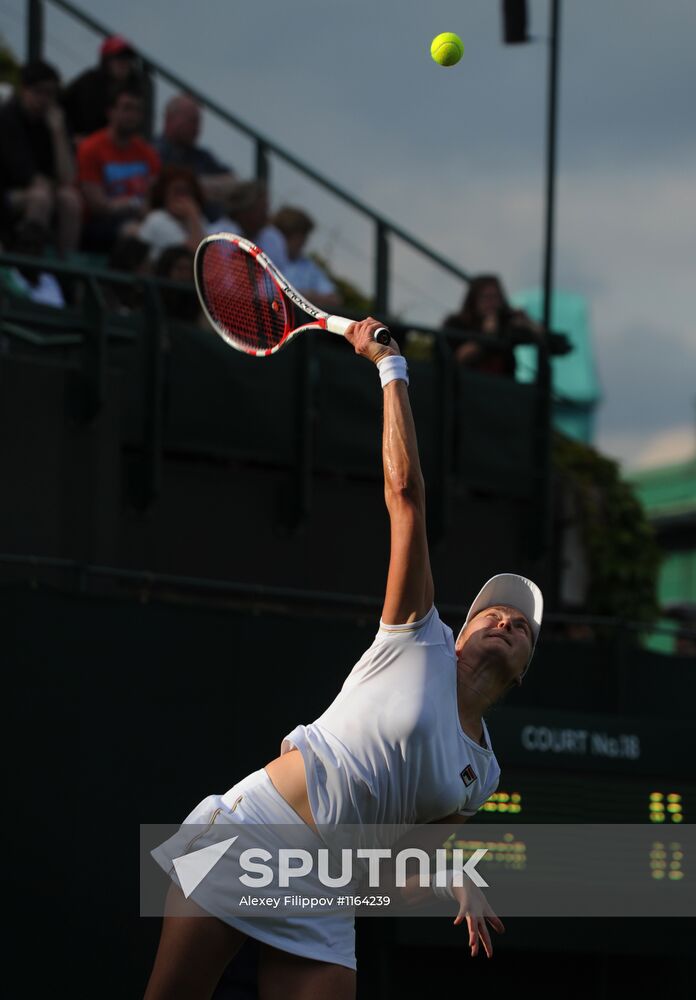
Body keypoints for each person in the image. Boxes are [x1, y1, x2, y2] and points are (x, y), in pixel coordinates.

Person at [144, 317, 544, 999]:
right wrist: (391, 370)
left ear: (527, 663)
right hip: (255, 832)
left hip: (327, 887)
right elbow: (407, 499)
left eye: (520, 623)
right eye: (489, 613)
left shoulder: (483, 774)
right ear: (459, 633)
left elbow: (388, 877)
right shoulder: (416, 637)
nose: (504, 619)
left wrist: (450, 878)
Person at [0, 60, 81, 255]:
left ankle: (66, 273)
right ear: (24, 90)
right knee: (40, 197)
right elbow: (26, 175)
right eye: (39, 91)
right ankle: (28, 266)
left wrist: (58, 133)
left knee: (71, 200)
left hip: (43, 189)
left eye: (51, 93)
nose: (44, 99)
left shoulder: (56, 121)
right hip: (8, 193)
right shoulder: (7, 118)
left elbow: (68, 178)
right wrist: (49, 185)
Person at [76, 84, 160, 252]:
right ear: (110, 112)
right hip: (99, 225)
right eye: (127, 108)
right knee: (138, 234)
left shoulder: (147, 153)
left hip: (139, 219)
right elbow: (97, 205)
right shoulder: (91, 148)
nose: (132, 115)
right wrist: (134, 204)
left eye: (137, 110)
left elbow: (154, 197)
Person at [442, 274, 545, 378]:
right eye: (486, 297)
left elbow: (542, 335)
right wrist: (486, 336)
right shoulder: (456, 323)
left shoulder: (506, 324)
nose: (491, 303)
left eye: (495, 297)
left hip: (504, 387)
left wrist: (527, 322)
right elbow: (458, 358)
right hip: (466, 385)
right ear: (474, 300)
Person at [154, 94, 237, 220]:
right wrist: (204, 188)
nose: (197, 128)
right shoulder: (154, 152)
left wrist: (196, 185)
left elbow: (231, 182)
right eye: (192, 121)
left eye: (198, 122)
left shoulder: (201, 156)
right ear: (171, 119)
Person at [62, 35, 153, 142]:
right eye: (118, 57)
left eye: (127, 58)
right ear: (106, 61)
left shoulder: (137, 87)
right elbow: (63, 107)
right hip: (87, 144)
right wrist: (71, 136)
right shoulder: (87, 83)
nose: (123, 62)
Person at [272, 205, 341, 311]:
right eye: (299, 236)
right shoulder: (266, 258)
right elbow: (268, 294)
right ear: (284, 235)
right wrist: (309, 296)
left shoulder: (309, 266)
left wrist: (294, 296)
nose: (303, 243)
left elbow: (334, 299)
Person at [212, 178, 289, 268]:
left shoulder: (274, 238)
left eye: (266, 209)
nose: (266, 215)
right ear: (243, 210)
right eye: (260, 210)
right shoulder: (217, 236)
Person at [138, 166, 206, 262]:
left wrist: (193, 216)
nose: (182, 199)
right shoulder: (157, 219)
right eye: (177, 192)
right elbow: (196, 254)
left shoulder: (199, 220)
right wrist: (192, 213)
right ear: (164, 194)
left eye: (186, 192)